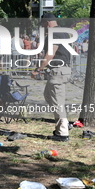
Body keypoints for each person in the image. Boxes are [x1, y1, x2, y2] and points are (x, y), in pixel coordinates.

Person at [32, 13, 71, 142]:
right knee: (49, 96)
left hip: (58, 71)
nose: (42, 27)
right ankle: (63, 124)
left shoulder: (55, 33)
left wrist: (38, 69)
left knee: (57, 101)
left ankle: (62, 133)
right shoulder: (62, 32)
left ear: (48, 22)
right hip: (60, 70)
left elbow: (50, 54)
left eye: (43, 25)